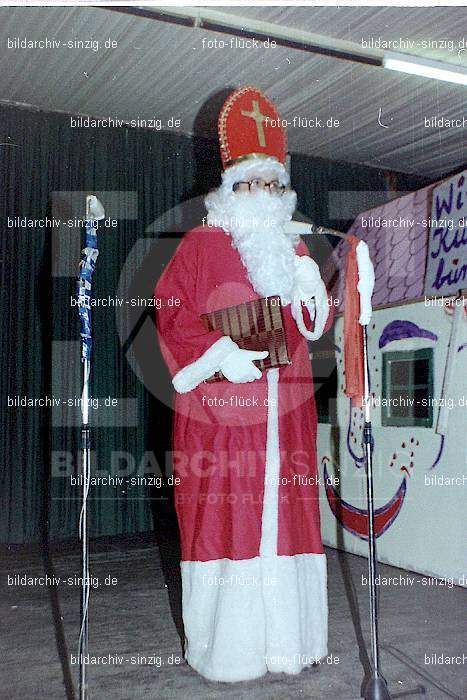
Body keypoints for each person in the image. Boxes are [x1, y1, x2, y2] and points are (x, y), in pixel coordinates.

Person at [154, 86, 334, 682]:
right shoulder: (203, 245)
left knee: (287, 517)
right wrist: (215, 354)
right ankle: (228, 653)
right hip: (224, 416)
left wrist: (312, 292)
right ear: (231, 189)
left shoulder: (294, 248)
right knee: (225, 520)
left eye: (274, 186)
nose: (266, 197)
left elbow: (306, 330)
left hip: (284, 415)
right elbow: (172, 312)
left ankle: (288, 644)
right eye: (253, 184)